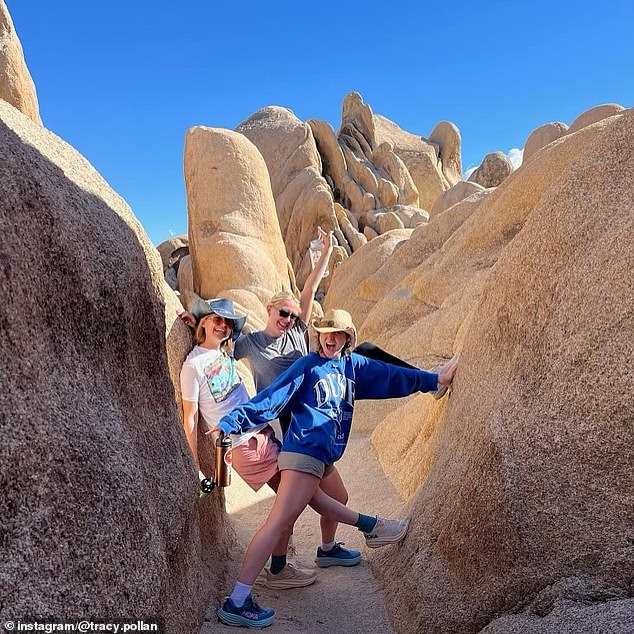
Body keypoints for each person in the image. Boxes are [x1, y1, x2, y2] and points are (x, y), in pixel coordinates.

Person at [214, 308, 458, 628]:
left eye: (336, 333)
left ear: (347, 338)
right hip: (303, 452)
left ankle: (327, 550)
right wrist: (233, 421)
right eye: (324, 333)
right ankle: (238, 599)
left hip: (324, 456)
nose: (329, 339)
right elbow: (272, 398)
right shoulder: (307, 365)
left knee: (337, 497)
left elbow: (393, 376)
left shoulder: (352, 367)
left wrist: (434, 380)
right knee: (278, 521)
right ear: (319, 335)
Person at [179, 298, 387, 591]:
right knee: (299, 499)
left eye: (227, 323)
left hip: (262, 435)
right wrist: (196, 466)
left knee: (298, 500)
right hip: (244, 445)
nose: (223, 327)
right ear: (204, 322)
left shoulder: (223, 353)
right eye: (216, 320)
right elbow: (190, 418)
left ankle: (288, 564)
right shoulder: (192, 365)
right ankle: (370, 526)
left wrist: (194, 324)